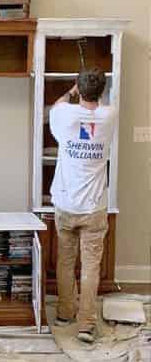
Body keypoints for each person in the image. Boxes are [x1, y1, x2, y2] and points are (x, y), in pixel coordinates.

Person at [49, 67, 115, 346]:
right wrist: (85, 89)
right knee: (90, 266)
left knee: (65, 260)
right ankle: (86, 324)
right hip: (94, 209)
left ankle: (65, 313)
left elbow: (58, 104)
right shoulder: (109, 116)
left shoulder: (65, 115)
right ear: (102, 91)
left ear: (79, 87)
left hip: (66, 205)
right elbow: (95, 103)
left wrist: (71, 91)